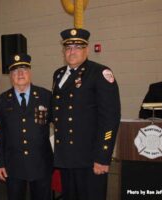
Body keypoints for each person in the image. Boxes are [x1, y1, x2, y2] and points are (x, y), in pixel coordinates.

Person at [51, 28, 121, 200]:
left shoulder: (100, 73)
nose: (72, 51)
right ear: (63, 51)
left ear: (87, 50)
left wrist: (103, 157)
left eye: (77, 47)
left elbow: (110, 118)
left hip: (90, 159)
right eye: (68, 48)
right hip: (66, 157)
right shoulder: (59, 74)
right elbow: (57, 111)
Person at [0, 53, 53, 200]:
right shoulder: (1, 101)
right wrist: (0, 163)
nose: (20, 74)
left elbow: (60, 125)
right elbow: (0, 135)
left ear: (30, 73)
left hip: (41, 163)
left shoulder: (46, 96)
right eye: (15, 71)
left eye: (24, 69)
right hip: (13, 165)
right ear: (10, 76)